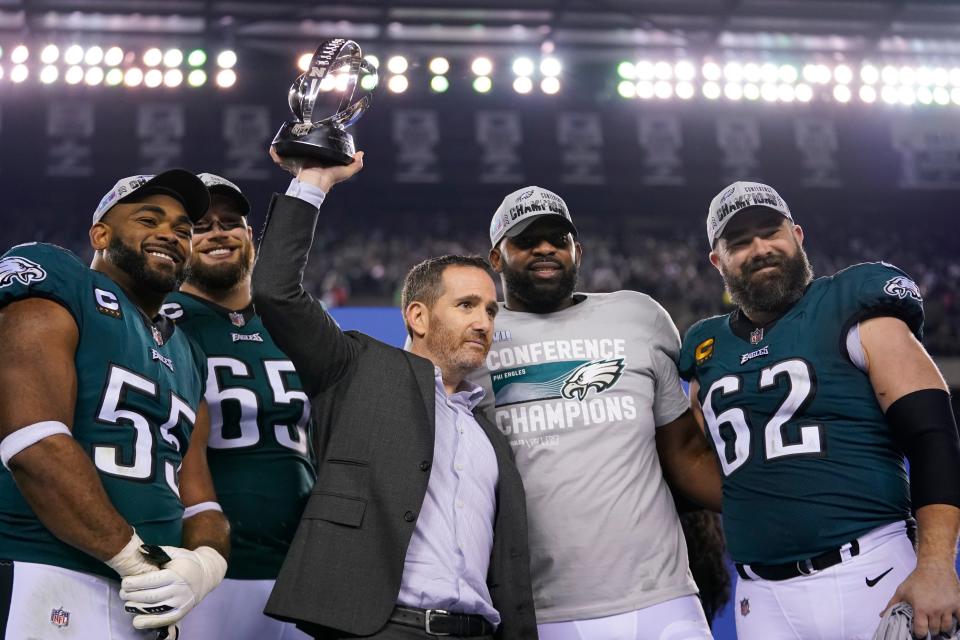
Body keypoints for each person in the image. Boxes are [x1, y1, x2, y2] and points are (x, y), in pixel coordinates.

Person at [251, 148, 537, 640]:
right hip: (379, 628)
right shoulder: (356, 368)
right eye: (466, 304)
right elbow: (276, 291)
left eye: (491, 310)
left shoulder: (491, 436)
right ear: (418, 316)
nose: (483, 321)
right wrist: (314, 181)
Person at [678, 180, 960, 639]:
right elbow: (701, 461)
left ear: (798, 235)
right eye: (740, 241)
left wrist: (934, 565)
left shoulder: (852, 302)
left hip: (870, 572)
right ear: (718, 261)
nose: (760, 248)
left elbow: (933, 437)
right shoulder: (705, 347)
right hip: (761, 597)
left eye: (771, 231)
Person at [466, 185, 723, 639]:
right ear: (496, 257)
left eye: (557, 239)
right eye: (526, 240)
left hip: (660, 597)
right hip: (535, 609)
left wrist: (771, 503)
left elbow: (683, 452)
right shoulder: (474, 335)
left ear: (577, 251)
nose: (545, 248)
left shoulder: (639, 316)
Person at [0, 171, 230, 639]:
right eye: (149, 218)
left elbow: (200, 498)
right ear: (100, 233)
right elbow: (32, 443)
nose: (171, 233)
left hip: (144, 600)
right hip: (45, 571)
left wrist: (202, 568)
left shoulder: (188, 351)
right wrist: (136, 562)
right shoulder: (59, 278)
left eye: (184, 230)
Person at [162, 173, 314, 640]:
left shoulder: (295, 323)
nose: (218, 233)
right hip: (208, 571)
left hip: (304, 572)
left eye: (231, 222)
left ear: (250, 236)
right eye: (201, 226)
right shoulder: (160, 322)